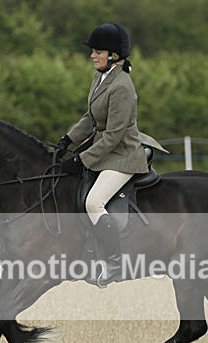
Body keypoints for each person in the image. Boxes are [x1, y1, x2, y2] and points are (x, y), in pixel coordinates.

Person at [55, 22, 160, 288]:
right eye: (93, 51)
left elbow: (113, 136)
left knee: (94, 202)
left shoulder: (122, 86)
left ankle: (114, 262)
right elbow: (90, 118)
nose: (92, 55)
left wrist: (81, 159)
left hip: (123, 155)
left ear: (113, 55)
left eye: (98, 51)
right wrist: (67, 140)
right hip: (106, 152)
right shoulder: (101, 78)